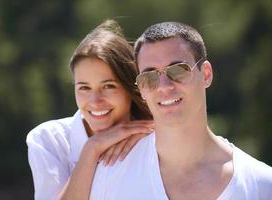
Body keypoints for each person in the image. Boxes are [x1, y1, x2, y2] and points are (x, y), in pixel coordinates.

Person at [90, 21, 272, 200]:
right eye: (149, 76)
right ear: (141, 89)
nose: (164, 86)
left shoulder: (261, 185)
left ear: (206, 74)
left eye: (178, 70)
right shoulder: (109, 176)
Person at [26, 19, 153, 200]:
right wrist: (91, 149)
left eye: (108, 86)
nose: (95, 101)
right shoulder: (48, 140)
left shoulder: (154, 138)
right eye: (84, 88)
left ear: (130, 87)